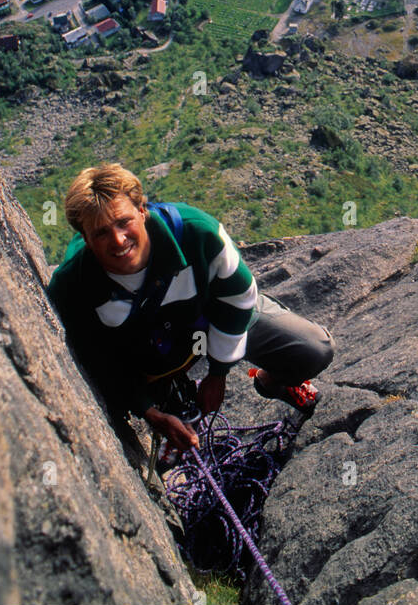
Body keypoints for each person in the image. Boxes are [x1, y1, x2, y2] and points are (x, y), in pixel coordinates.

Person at [47, 163, 334, 454]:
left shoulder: (199, 235)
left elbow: (239, 299)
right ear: (85, 238)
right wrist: (149, 412)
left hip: (205, 316)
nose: (119, 240)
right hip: (146, 348)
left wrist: (219, 373)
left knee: (312, 350)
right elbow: (99, 361)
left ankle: (271, 382)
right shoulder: (74, 285)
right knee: (174, 434)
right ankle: (170, 400)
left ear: (142, 210)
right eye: (101, 233)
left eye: (124, 222)